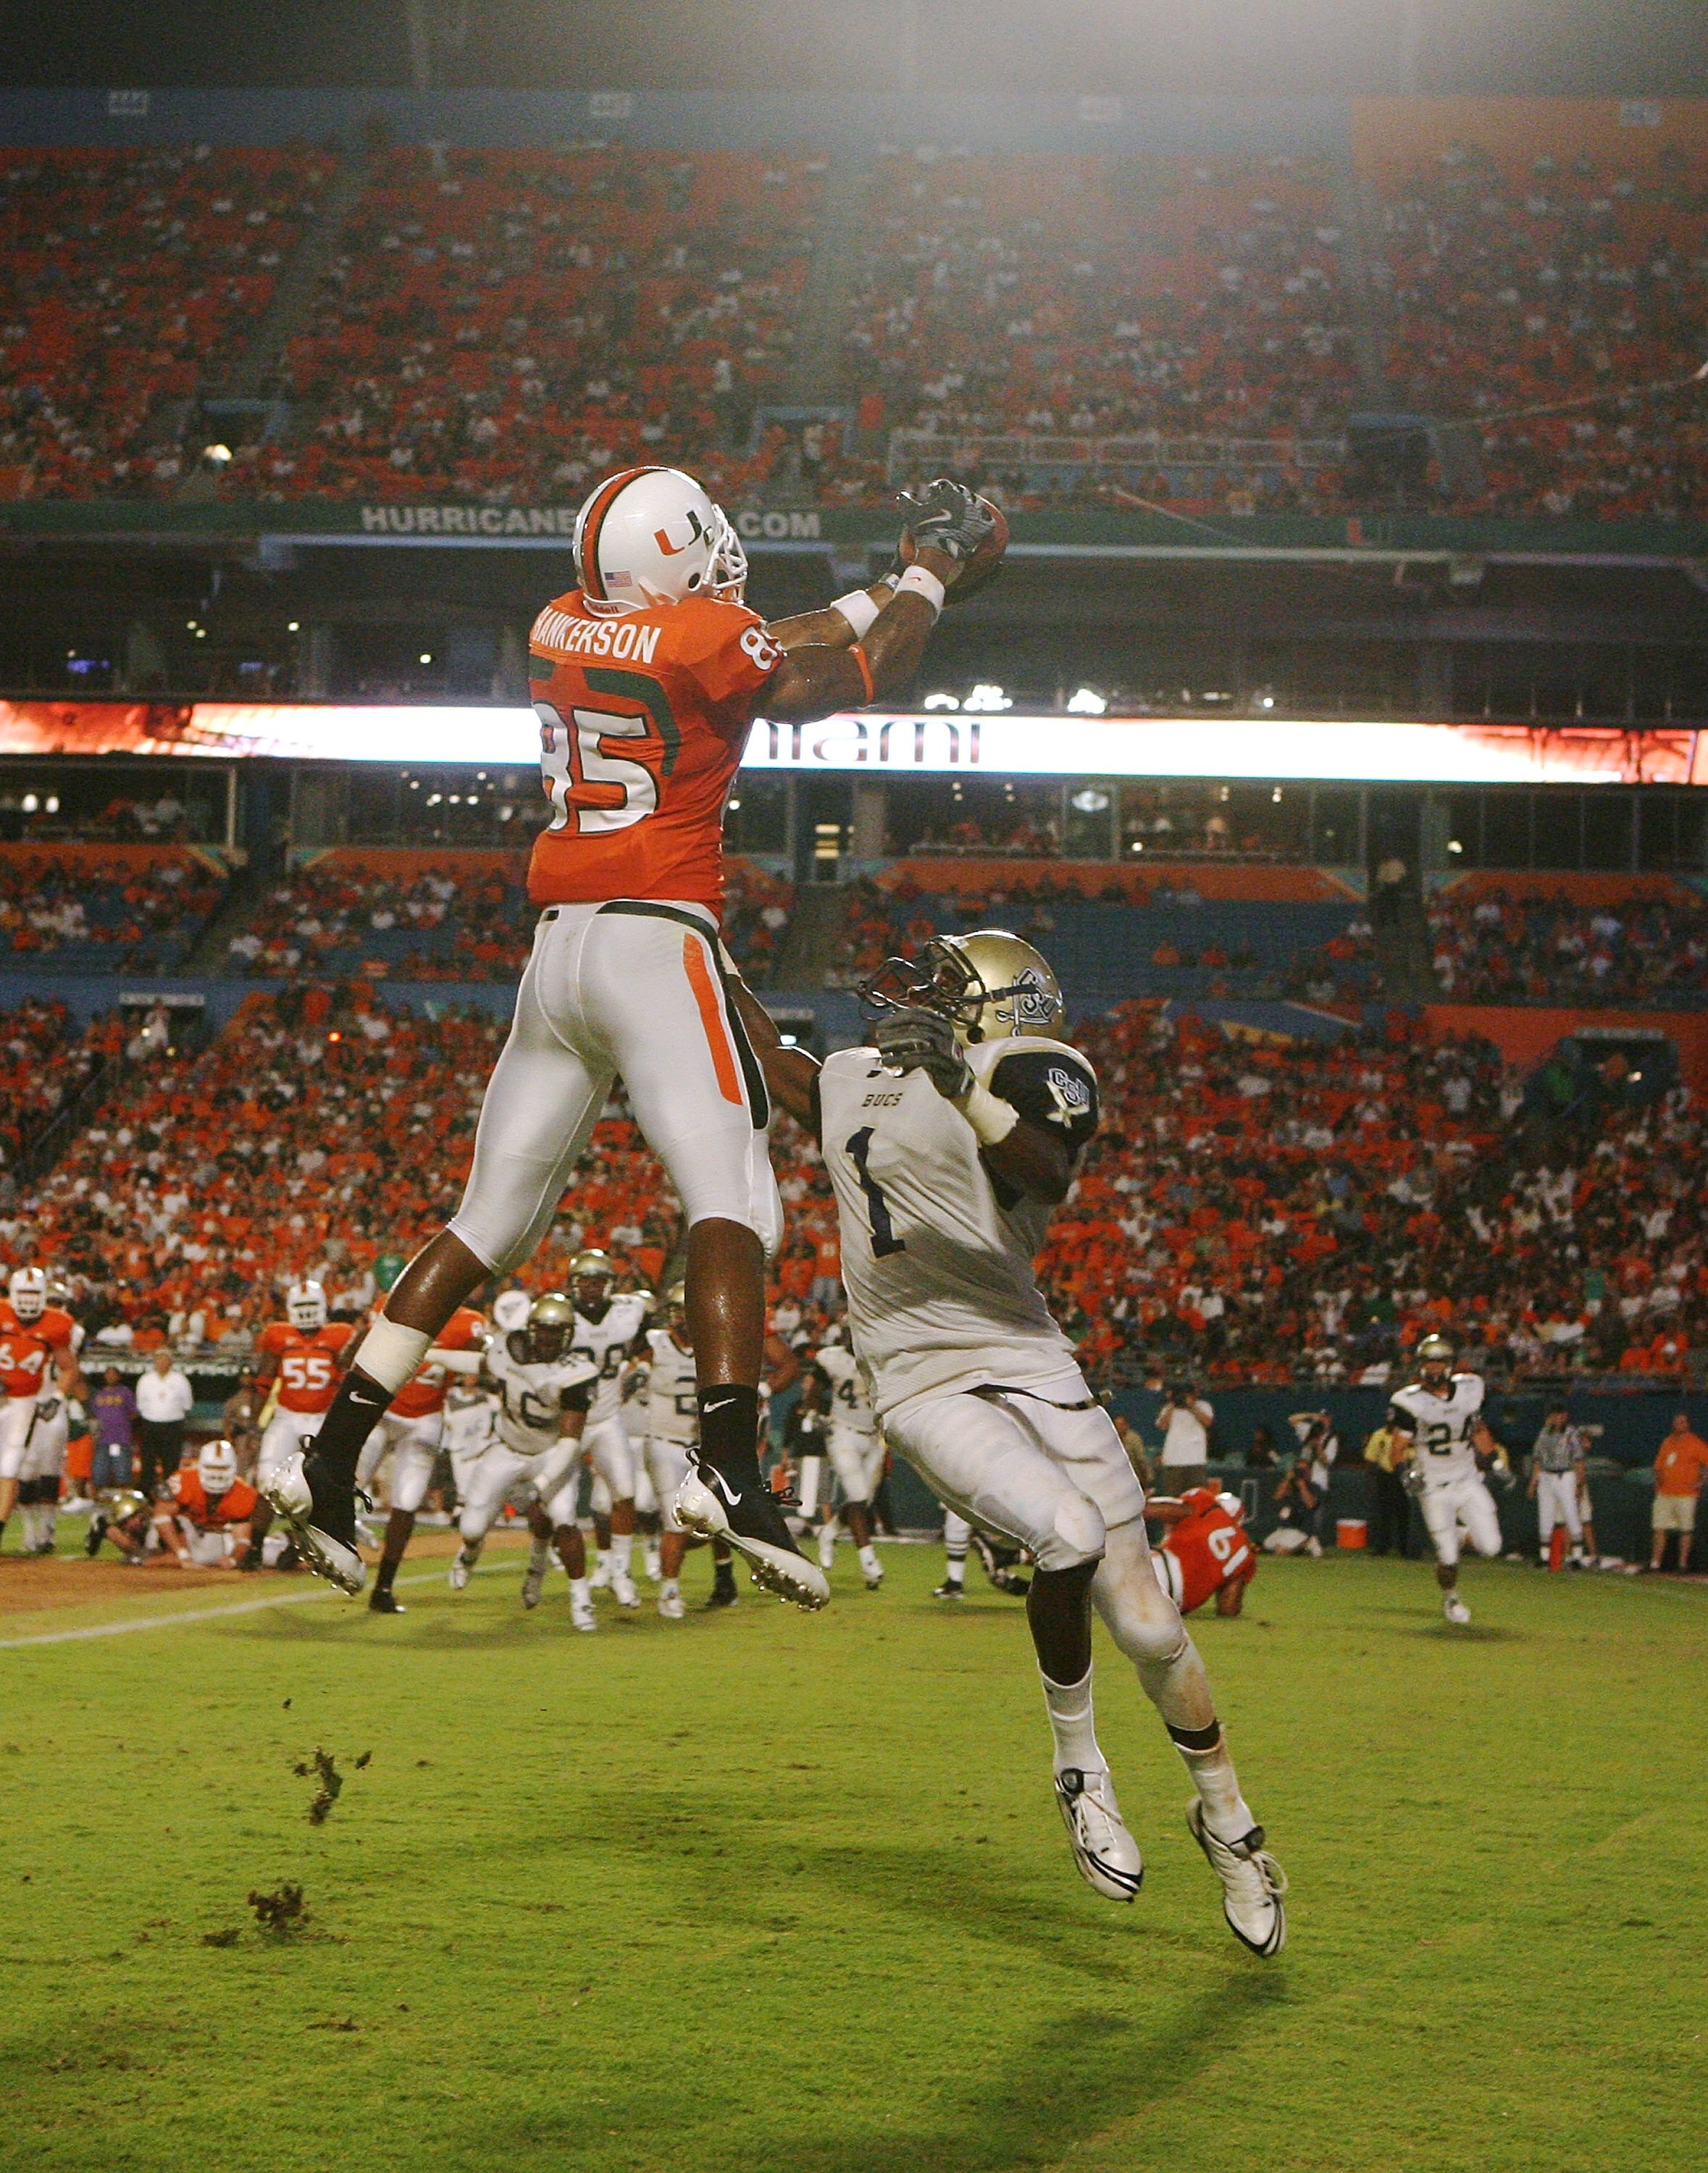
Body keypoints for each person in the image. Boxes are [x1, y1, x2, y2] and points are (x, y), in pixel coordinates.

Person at [267, 468, 999, 1603]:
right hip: (657, 936)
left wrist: (877, 584)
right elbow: (849, 673)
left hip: (555, 951)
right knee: (735, 1199)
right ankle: (735, 1472)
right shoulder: (706, 634)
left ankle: (325, 1460)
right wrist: (930, 575)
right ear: (675, 556)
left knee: (484, 1224)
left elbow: (760, 640)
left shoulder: (564, 621)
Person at [740, 927, 1286, 1955]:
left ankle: (1227, 1822)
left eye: (950, 984)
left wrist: (958, 1084)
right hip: (916, 1373)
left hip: (1029, 1355)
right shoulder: (858, 1069)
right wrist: (700, 955)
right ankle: (1079, 1770)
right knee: (1066, 1533)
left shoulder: (1031, 1067)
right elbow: (777, 1063)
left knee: (1151, 1629)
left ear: (1002, 1004)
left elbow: (1047, 1169)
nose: (925, 994)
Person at [452, 1293, 598, 1627]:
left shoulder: (577, 1372)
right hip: (507, 1448)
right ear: (530, 1330)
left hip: (551, 1454)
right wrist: (425, 1355)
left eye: (556, 1331)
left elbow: (569, 1441)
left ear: (569, 1335)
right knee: (471, 1527)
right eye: (542, 1330)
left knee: (564, 1519)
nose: (547, 1338)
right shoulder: (508, 1350)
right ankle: (470, 1552)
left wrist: (540, 1484)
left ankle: (581, 1600)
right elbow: (476, 1364)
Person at [359, 1294, 488, 1617]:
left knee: (407, 1503)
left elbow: (480, 1362)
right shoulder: (394, 1302)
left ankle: (384, 1587)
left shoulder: (467, 1322)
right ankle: (331, 1539)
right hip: (383, 1410)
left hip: (424, 1420)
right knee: (347, 1477)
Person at [1386, 1334, 1505, 1625]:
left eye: (1440, 1360)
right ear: (1421, 1365)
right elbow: (1397, 1449)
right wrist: (1405, 1474)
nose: (1436, 1367)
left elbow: (1478, 1429)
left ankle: (1463, 1534)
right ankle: (1451, 1597)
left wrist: (1495, 1461)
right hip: (1434, 1486)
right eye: (1430, 1361)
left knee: (1492, 1547)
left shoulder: (1470, 1389)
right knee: (1448, 1557)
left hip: (1467, 1479)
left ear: (1450, 1364)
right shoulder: (1410, 1401)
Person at [243, 1282, 355, 1569]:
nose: (306, 1314)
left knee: (317, 1490)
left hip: (322, 1420)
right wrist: (255, 1425)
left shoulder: (340, 1335)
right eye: (301, 1307)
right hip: (286, 1417)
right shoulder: (278, 1335)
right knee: (269, 1483)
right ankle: (255, 1547)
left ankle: (300, 1547)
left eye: (311, 1307)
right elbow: (264, 1382)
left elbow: (348, 1379)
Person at [563, 1251, 650, 1607]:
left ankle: (621, 1571)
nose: (591, 1287)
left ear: (610, 1284)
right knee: (556, 1505)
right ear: (573, 1283)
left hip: (607, 1418)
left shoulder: (629, 1312)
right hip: (569, 1418)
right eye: (585, 1280)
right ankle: (539, 1563)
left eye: (598, 1281)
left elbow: (650, 1344)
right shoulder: (562, 1315)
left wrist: (639, 1371)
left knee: (625, 1493)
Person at [0, 1265, 81, 1551]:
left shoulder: (62, 1327)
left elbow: (70, 1368)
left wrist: (60, 1398)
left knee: (35, 1468)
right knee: (22, 1468)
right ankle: (33, 1533)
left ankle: (43, 1533)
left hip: (39, 1401)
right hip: (16, 1398)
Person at [803, 1328, 885, 1588]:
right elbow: (812, 1394)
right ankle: (869, 1562)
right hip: (843, 1434)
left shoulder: (880, 1359)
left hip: (873, 1437)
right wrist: (820, 1416)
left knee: (861, 1501)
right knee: (859, 1497)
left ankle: (829, 1533)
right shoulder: (833, 1359)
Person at [1147, 1489, 1257, 1617]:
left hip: (1158, 1567)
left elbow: (1160, 1510)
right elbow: (1228, 1608)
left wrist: (1133, 1505)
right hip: (1173, 1604)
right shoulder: (1246, 1554)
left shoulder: (1209, 1507)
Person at [154, 1440, 259, 1568]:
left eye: (222, 1468)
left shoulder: (244, 1493)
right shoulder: (185, 1479)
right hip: (186, 1531)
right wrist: (183, 1555)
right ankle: (164, 1556)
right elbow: (161, 1516)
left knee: (205, 1557)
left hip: (214, 1533)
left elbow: (242, 1538)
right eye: (211, 1467)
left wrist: (233, 1560)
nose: (216, 1474)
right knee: (154, 1535)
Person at [1528, 1404, 1591, 1570]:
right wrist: (1533, 1482)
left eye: (1561, 1415)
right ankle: (1545, 1557)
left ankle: (1577, 1557)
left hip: (1565, 1475)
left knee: (1571, 1513)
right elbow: (1538, 1459)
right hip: (1546, 1475)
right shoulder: (1544, 1433)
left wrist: (1579, 1483)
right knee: (1545, 1515)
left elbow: (1579, 1460)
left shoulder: (1571, 1434)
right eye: (1555, 1415)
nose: (1558, 1419)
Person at [1649, 1412, 1708, 1573]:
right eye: (1676, 1422)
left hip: (1686, 1495)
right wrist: (1659, 1482)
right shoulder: (1667, 1442)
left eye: (1682, 1422)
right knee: (1659, 1528)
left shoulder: (1695, 1443)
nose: (1679, 1425)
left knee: (1686, 1529)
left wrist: (1700, 1481)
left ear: (1687, 1424)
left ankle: (1682, 1564)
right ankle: (1655, 1564)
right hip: (1665, 1493)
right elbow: (1658, 1466)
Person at [134, 1348, 194, 1499]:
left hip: (172, 1425)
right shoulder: (146, 1380)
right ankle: (146, 1494)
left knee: (171, 1461)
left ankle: (172, 1493)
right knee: (148, 1461)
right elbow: (141, 1404)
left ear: (171, 1362)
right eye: (158, 1359)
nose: (161, 1362)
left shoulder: (180, 1380)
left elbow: (187, 1404)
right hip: (150, 1424)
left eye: (164, 1359)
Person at [1361, 1417, 1412, 1558]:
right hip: (1385, 1475)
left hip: (1403, 1474)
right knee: (1384, 1513)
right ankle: (1382, 1546)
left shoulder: (1407, 1435)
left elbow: (1413, 1455)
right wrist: (1371, 1479)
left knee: (1404, 1514)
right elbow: (1370, 1458)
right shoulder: (1380, 1435)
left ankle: (1404, 1548)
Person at [1157, 1383, 1215, 1495]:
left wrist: (1192, 1406)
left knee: (1197, 1496)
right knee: (1173, 1497)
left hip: (1196, 1460)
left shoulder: (1203, 1406)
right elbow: (1163, 1425)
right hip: (1173, 1461)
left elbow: (1208, 1422)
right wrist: (1173, 1404)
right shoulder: (1169, 1408)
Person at [90, 1367, 138, 1494]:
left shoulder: (125, 1392)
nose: (111, 1377)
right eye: (108, 1374)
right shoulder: (99, 1394)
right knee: (100, 1469)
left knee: (122, 1470)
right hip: (102, 1439)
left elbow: (133, 1413)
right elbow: (94, 1415)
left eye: (114, 1374)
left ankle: (125, 1495)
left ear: (119, 1377)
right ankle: (98, 1497)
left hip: (121, 1438)